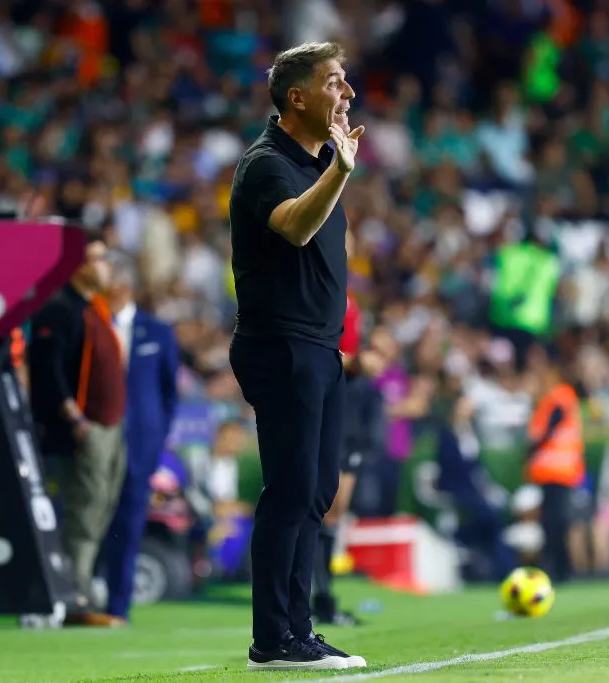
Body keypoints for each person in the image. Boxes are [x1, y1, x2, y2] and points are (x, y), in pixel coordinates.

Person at [227, 41, 367, 671]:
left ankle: (296, 631)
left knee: (315, 491)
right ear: (297, 97)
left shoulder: (317, 164)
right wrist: (340, 172)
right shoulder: (267, 164)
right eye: (335, 82)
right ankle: (273, 638)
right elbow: (295, 227)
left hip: (319, 346)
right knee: (291, 488)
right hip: (281, 344)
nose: (348, 93)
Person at [28, 230, 126, 627]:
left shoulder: (94, 307)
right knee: (82, 514)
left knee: (98, 512)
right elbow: (48, 371)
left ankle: (82, 590)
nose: (106, 266)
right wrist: (74, 418)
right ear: (77, 266)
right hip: (85, 430)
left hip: (108, 427)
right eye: (98, 258)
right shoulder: (59, 308)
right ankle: (74, 598)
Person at [100, 254, 179, 624]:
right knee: (90, 519)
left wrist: (156, 438)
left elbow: (169, 395)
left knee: (130, 523)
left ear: (124, 286)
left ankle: (118, 605)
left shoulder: (158, 331)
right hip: (97, 439)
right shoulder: (93, 326)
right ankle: (83, 596)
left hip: (140, 445)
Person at [313, 231, 371, 627]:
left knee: (335, 508)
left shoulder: (348, 302)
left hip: (344, 406)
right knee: (322, 504)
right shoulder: (318, 292)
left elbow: (348, 355)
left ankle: (324, 595)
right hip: (320, 403)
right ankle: (313, 596)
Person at [526, 362, 587, 582]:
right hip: (555, 470)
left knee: (554, 522)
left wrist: (532, 449)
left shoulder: (559, 396)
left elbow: (550, 427)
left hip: (557, 470)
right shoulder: (555, 397)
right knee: (554, 521)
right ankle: (561, 567)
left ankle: (558, 566)